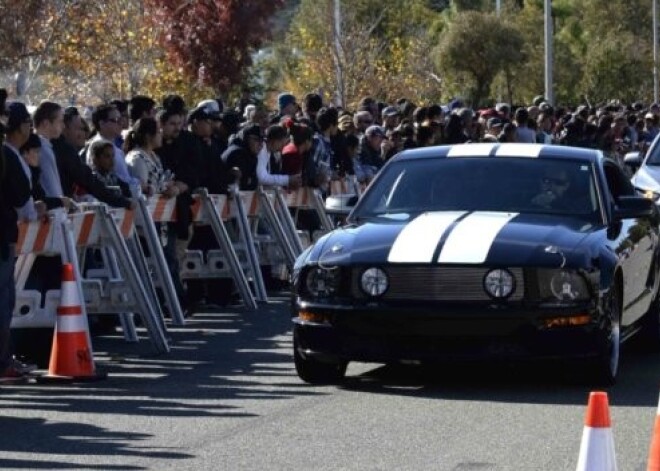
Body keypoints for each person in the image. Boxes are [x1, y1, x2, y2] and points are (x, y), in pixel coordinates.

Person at [0, 101, 33, 380]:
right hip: (2, 236)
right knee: (3, 299)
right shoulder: (7, 155)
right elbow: (22, 200)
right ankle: (2, 362)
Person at [257, 124, 302, 189]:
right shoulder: (261, 151)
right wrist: (288, 180)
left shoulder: (269, 151)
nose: (282, 148)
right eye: (282, 144)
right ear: (274, 141)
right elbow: (262, 178)